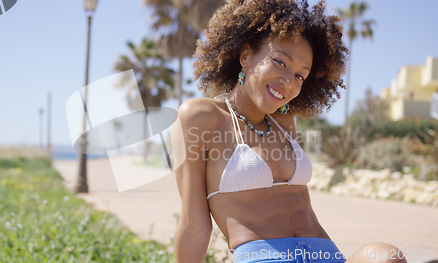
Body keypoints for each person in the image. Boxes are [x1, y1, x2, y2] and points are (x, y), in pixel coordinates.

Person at [171, 0, 407, 263]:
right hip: (264, 257)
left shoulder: (284, 121)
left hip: (325, 254)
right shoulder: (201, 117)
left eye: (299, 76)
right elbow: (194, 225)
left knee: (387, 256)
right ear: (246, 56)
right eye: (280, 63)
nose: (288, 83)